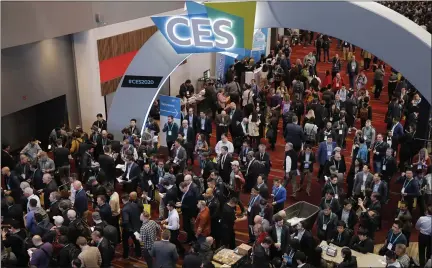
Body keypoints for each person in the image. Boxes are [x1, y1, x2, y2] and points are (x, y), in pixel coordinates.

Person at [120, 194, 142, 260]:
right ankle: (139, 255)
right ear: (129, 198)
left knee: (125, 242)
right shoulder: (135, 205)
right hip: (136, 227)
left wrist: (121, 224)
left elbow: (126, 221)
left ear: (122, 200)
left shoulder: (124, 209)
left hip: (128, 229)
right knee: (136, 242)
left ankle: (125, 255)